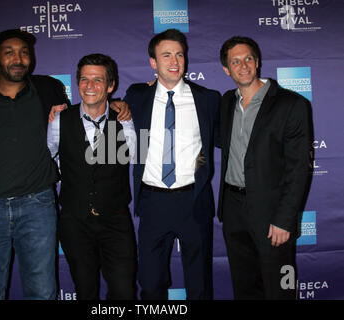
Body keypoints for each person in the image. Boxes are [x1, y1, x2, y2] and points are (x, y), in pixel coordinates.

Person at [0, 29, 129, 300]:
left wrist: (114, 104)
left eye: (24, 52)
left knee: (43, 292)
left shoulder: (49, 89)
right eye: (9, 52)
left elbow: (82, 121)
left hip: (38, 207)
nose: (18, 59)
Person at [123, 28, 220, 300]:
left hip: (194, 200)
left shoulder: (208, 99)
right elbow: (108, 119)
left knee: (199, 285)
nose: (174, 61)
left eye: (179, 54)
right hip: (153, 202)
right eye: (166, 55)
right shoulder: (136, 95)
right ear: (153, 63)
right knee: (151, 285)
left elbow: (229, 137)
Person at [217, 36, 313, 299]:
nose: (243, 65)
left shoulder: (291, 104)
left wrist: (284, 219)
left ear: (257, 62)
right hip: (233, 209)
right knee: (245, 285)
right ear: (227, 69)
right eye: (235, 61)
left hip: (273, 214)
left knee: (281, 286)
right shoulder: (225, 103)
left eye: (248, 58)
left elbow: (298, 170)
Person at [47, 53, 137, 300]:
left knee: (123, 292)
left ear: (111, 85)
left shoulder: (125, 119)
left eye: (97, 80)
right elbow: (43, 160)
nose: (89, 86)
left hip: (116, 221)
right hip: (75, 221)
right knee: (85, 291)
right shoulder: (59, 121)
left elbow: (132, 155)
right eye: (84, 79)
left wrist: (121, 106)